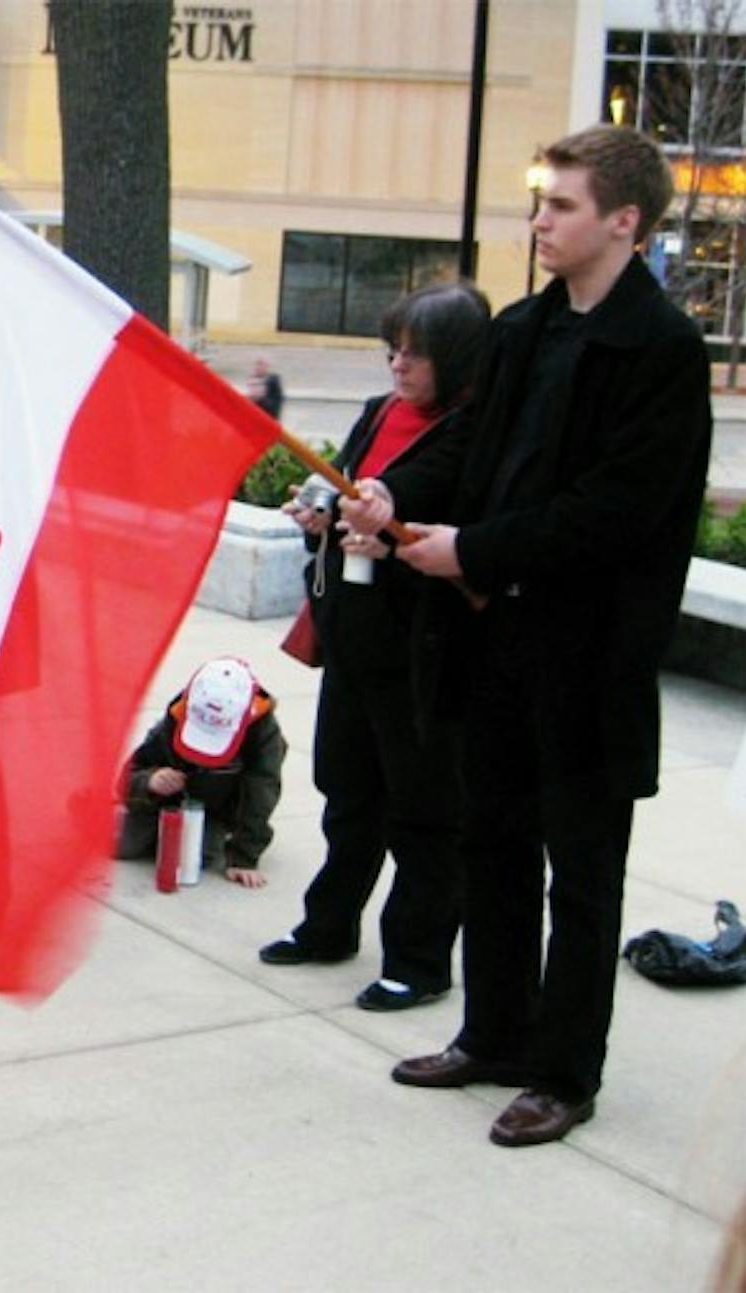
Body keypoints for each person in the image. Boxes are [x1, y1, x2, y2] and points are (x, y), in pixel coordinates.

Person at [344, 125, 712, 1147]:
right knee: (490, 846)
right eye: (538, 202)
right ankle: (492, 1035)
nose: (537, 220)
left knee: (580, 877)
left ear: (623, 221)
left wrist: (473, 551)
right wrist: (392, 490)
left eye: (558, 205)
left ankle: (562, 1072)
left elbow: (614, 511)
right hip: (491, 647)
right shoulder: (521, 329)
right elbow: (465, 443)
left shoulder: (663, 352)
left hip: (586, 659)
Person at [257, 283, 490, 1012]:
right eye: (394, 347)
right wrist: (317, 512)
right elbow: (351, 485)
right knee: (347, 791)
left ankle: (418, 960)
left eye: (416, 352)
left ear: (454, 358)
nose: (399, 363)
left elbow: (419, 496)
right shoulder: (378, 411)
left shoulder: (474, 426)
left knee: (422, 809)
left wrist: (383, 517)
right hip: (353, 632)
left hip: (422, 646)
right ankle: (329, 925)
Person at [115, 657, 286, 888]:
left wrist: (244, 857)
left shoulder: (263, 733)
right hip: (165, 804)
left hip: (214, 812)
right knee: (121, 843)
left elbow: (262, 792)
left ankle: (170, 835)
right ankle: (101, 813)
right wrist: (150, 782)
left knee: (199, 854)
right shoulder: (176, 715)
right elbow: (131, 772)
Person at [247, 356, 285, 421]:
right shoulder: (253, 379)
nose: (258, 368)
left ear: (267, 367)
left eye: (261, 365)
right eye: (257, 366)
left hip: (269, 418)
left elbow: (275, 405)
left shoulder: (273, 380)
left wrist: (260, 397)